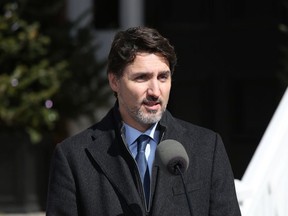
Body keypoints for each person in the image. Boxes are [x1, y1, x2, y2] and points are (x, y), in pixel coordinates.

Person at [46, 26, 241, 216]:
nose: (155, 91)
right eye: (142, 78)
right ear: (114, 81)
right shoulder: (73, 157)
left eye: (163, 77)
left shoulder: (207, 147)